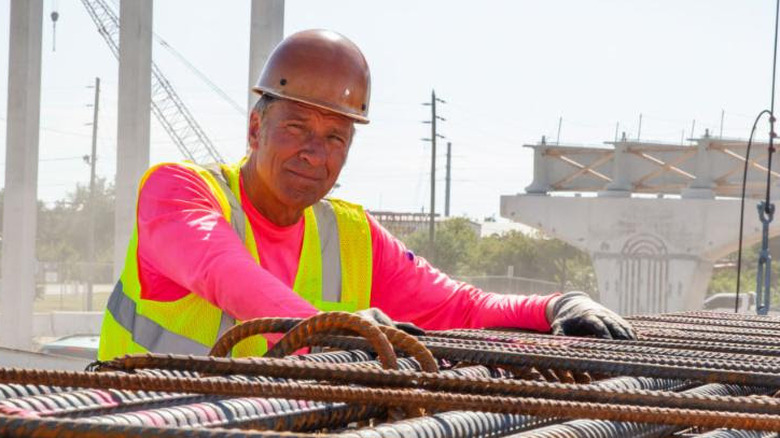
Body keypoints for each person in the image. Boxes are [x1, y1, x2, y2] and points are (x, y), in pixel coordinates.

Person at [97, 29, 634, 361]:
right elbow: (225, 273)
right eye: (295, 128)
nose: (315, 152)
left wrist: (556, 305)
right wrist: (335, 331)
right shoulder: (178, 191)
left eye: (335, 137)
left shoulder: (351, 235)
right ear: (255, 130)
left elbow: (458, 307)